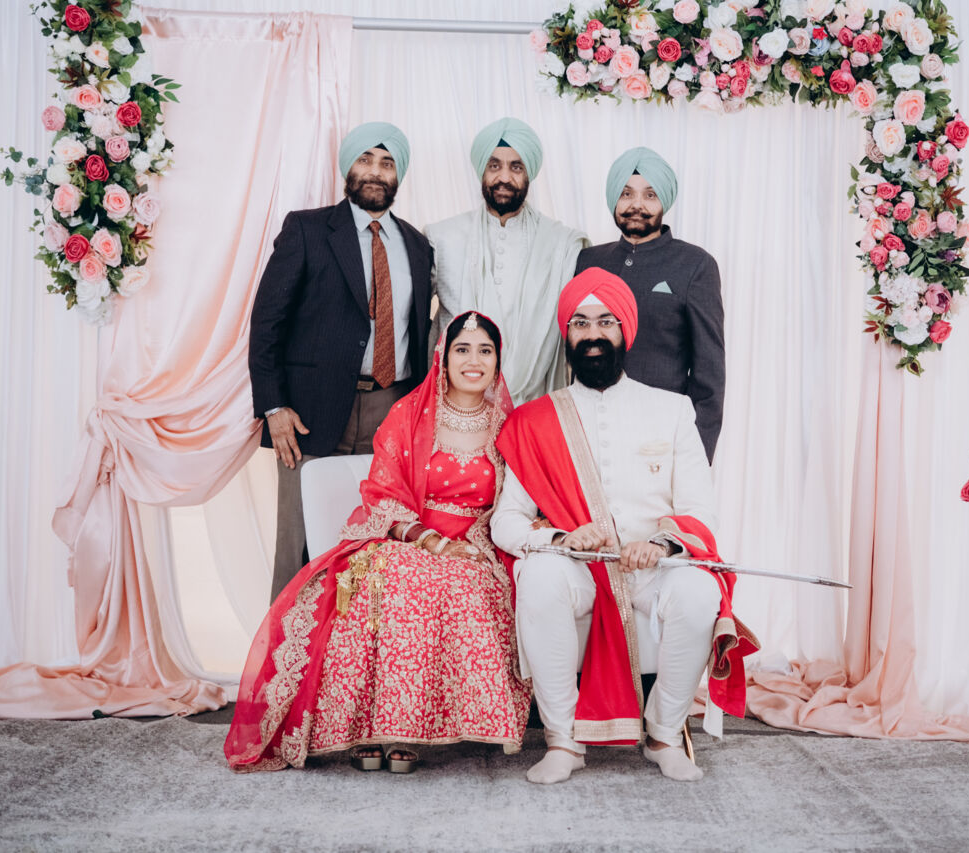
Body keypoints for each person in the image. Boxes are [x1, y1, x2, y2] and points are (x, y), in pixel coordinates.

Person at [226, 313, 532, 772]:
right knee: (391, 578)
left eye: (485, 351)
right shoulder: (409, 414)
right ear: (443, 358)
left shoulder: (509, 426)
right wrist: (429, 541)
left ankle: (405, 729)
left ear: (497, 361)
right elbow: (384, 492)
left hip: (476, 544)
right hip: (408, 535)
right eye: (462, 350)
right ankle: (364, 728)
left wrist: (474, 542)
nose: (474, 360)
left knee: (457, 584)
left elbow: (522, 498)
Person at [491, 268, 757, 785]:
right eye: (580, 323)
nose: (593, 334)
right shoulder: (534, 421)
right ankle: (562, 740)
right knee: (540, 578)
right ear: (566, 334)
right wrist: (560, 539)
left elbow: (701, 510)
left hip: (651, 569)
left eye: (605, 321)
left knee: (699, 591)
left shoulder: (672, 410)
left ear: (625, 331)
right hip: (579, 568)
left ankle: (664, 734)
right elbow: (506, 521)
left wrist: (661, 544)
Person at [249, 121, 434, 602]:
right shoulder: (307, 229)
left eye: (387, 162)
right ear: (347, 167)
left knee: (377, 540)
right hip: (309, 413)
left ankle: (358, 648)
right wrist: (273, 407)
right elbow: (267, 323)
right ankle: (285, 651)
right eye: (365, 159)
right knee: (300, 543)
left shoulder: (417, 246)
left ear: (399, 175)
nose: (375, 171)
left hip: (391, 410)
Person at [574, 147, 725, 461]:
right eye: (626, 193)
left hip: (658, 438)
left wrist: (694, 460)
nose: (637, 205)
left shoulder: (695, 265)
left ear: (664, 201)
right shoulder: (588, 261)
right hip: (589, 431)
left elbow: (708, 377)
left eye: (650, 195)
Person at [429, 117, 588, 403]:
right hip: (454, 404)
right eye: (494, 166)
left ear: (529, 173)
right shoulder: (441, 236)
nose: (504, 177)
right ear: (482, 170)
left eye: (516, 167)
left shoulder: (562, 244)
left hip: (533, 403)